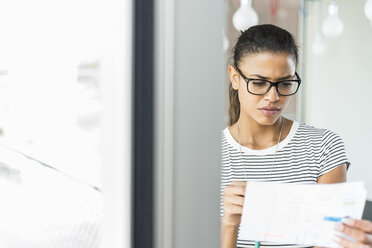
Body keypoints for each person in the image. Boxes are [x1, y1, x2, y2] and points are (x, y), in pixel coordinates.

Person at [220, 24, 372, 248]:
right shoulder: (208, 155)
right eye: (259, 83)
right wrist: (229, 225)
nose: (273, 96)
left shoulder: (323, 147)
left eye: (285, 83)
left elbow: (330, 242)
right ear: (235, 78)